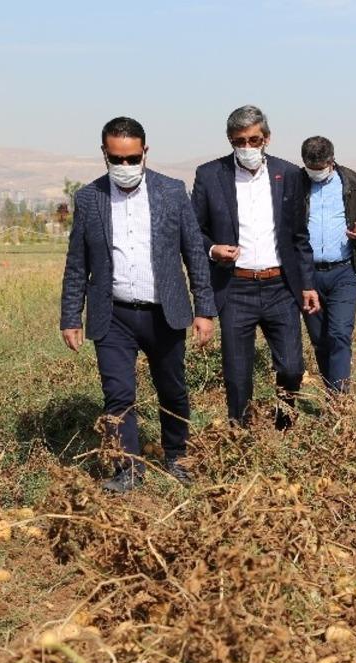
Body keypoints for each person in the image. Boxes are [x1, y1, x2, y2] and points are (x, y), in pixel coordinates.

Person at [60, 116, 216, 492]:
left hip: (164, 313)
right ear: (104, 154)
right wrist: (70, 316)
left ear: (145, 152)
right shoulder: (90, 198)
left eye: (133, 158)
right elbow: (77, 262)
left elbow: (194, 253)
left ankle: (176, 456)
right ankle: (127, 470)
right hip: (113, 314)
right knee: (118, 394)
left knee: (172, 389)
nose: (125, 166)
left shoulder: (171, 191)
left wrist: (205, 309)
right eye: (117, 159)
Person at [192, 105, 319, 429]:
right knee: (237, 376)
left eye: (254, 140)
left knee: (292, 367)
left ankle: (284, 424)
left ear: (267, 138)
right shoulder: (210, 175)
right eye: (239, 141)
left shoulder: (288, 174)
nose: (247, 147)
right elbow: (194, 232)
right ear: (230, 140)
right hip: (235, 288)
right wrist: (213, 249)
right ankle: (240, 436)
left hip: (280, 287)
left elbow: (299, 236)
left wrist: (307, 284)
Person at [299, 135, 356, 393]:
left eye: (320, 168)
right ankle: (332, 393)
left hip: (344, 271)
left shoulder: (355, 182)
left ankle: (340, 402)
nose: (315, 172)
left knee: (339, 334)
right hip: (308, 275)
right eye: (310, 168)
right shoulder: (295, 183)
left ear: (331, 161)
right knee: (320, 340)